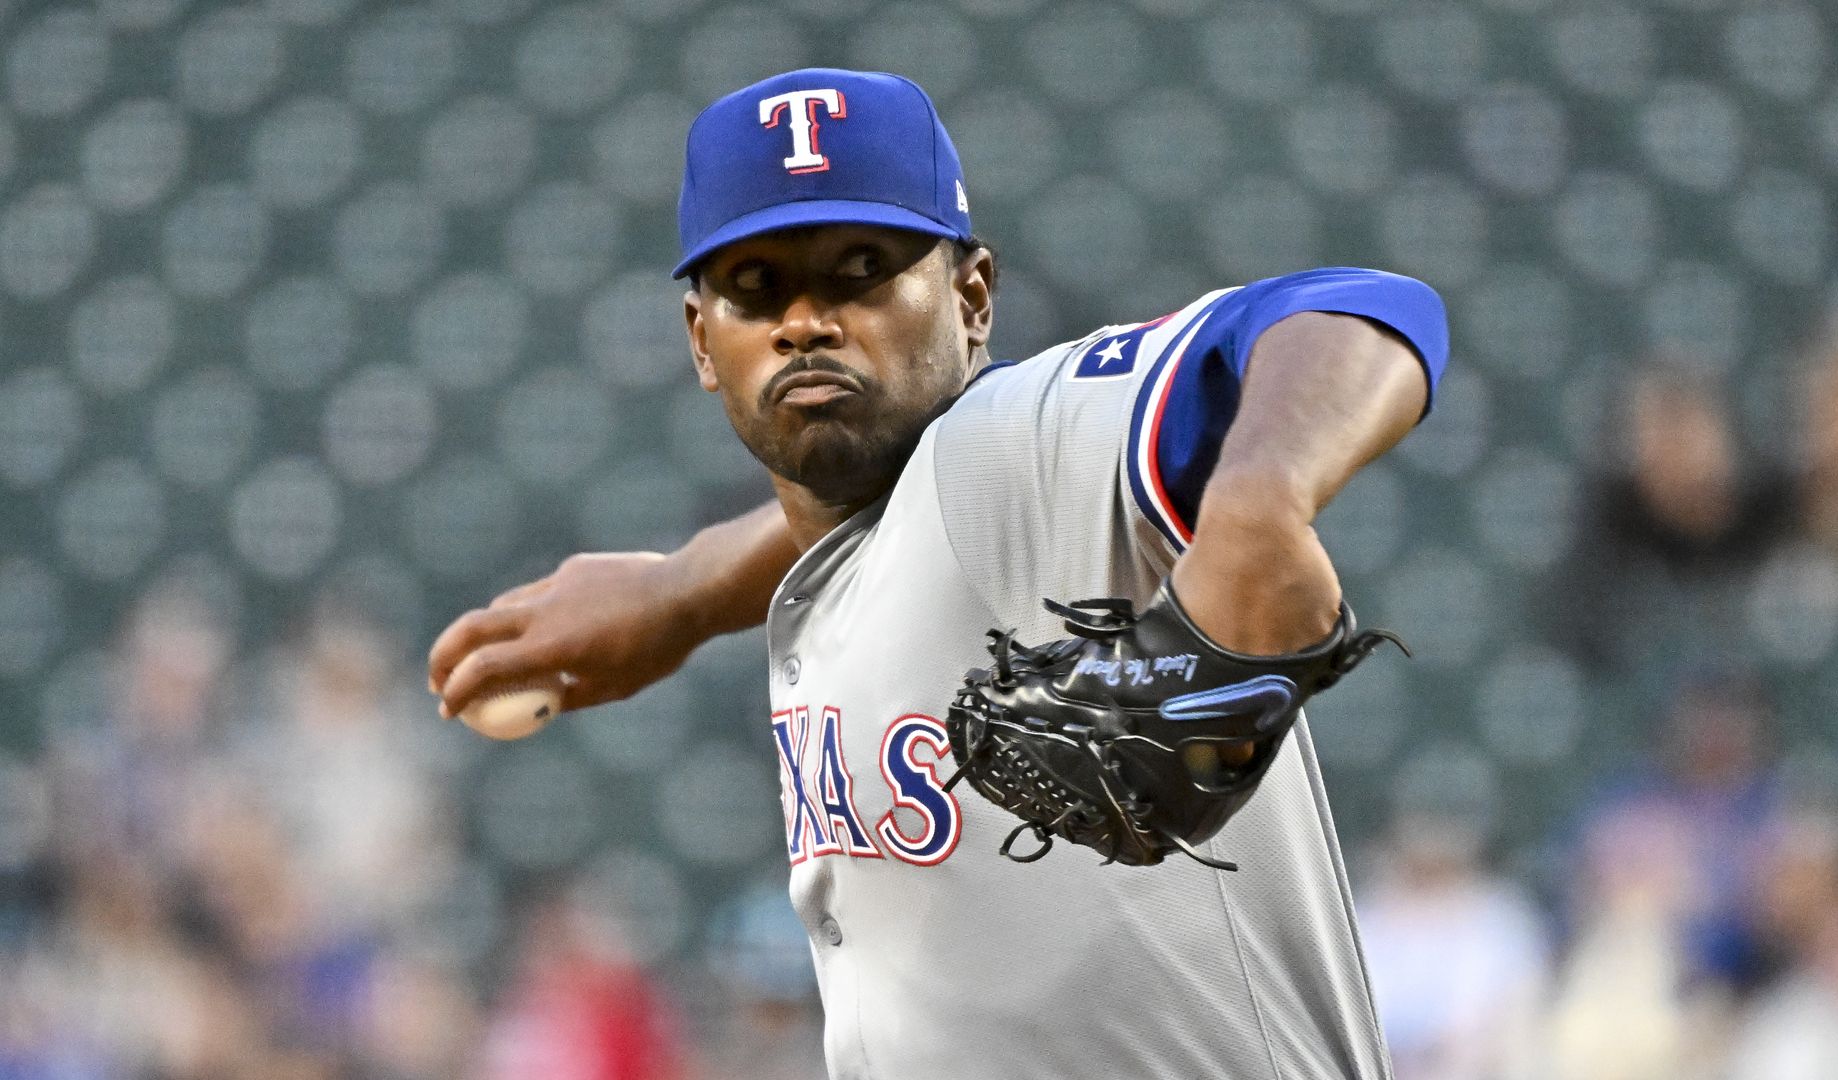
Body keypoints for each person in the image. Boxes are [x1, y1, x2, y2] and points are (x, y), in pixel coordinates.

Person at [431, 68, 1446, 1079]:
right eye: (755, 286)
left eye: (860, 270)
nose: (805, 320)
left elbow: (1354, 310)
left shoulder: (1016, 442)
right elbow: (868, 520)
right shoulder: (852, 546)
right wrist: (686, 589)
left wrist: (1258, 508)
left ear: (972, 298)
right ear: (703, 342)